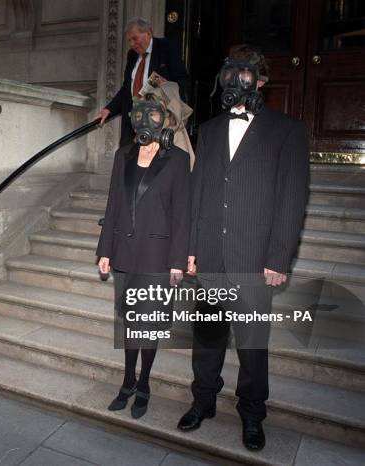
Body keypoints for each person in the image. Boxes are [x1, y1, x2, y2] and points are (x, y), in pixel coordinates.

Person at [177, 45, 309, 451]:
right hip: (212, 255)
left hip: (254, 257)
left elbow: (292, 198)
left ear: (261, 81)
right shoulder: (211, 129)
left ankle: (252, 414)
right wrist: (192, 248)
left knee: (252, 344)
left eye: (246, 74)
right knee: (208, 338)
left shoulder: (286, 130)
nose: (237, 81)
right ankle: (203, 401)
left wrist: (278, 257)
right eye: (230, 73)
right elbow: (198, 192)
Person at [96, 81, 192, 419]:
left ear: (164, 120)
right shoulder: (123, 155)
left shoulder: (178, 160)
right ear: (134, 120)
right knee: (128, 322)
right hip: (124, 251)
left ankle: (145, 384)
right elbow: (113, 205)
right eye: (140, 115)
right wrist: (104, 249)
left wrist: (178, 261)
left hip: (157, 255)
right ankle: (126, 382)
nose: (146, 121)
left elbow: (183, 215)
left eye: (153, 115)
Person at [95, 17, 188, 147]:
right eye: (129, 40)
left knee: (153, 162)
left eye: (135, 38)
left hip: (158, 120)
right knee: (126, 159)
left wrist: (176, 117)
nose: (132, 44)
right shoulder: (132, 55)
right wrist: (109, 109)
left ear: (148, 33)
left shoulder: (166, 47)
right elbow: (127, 88)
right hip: (132, 119)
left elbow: (180, 81)